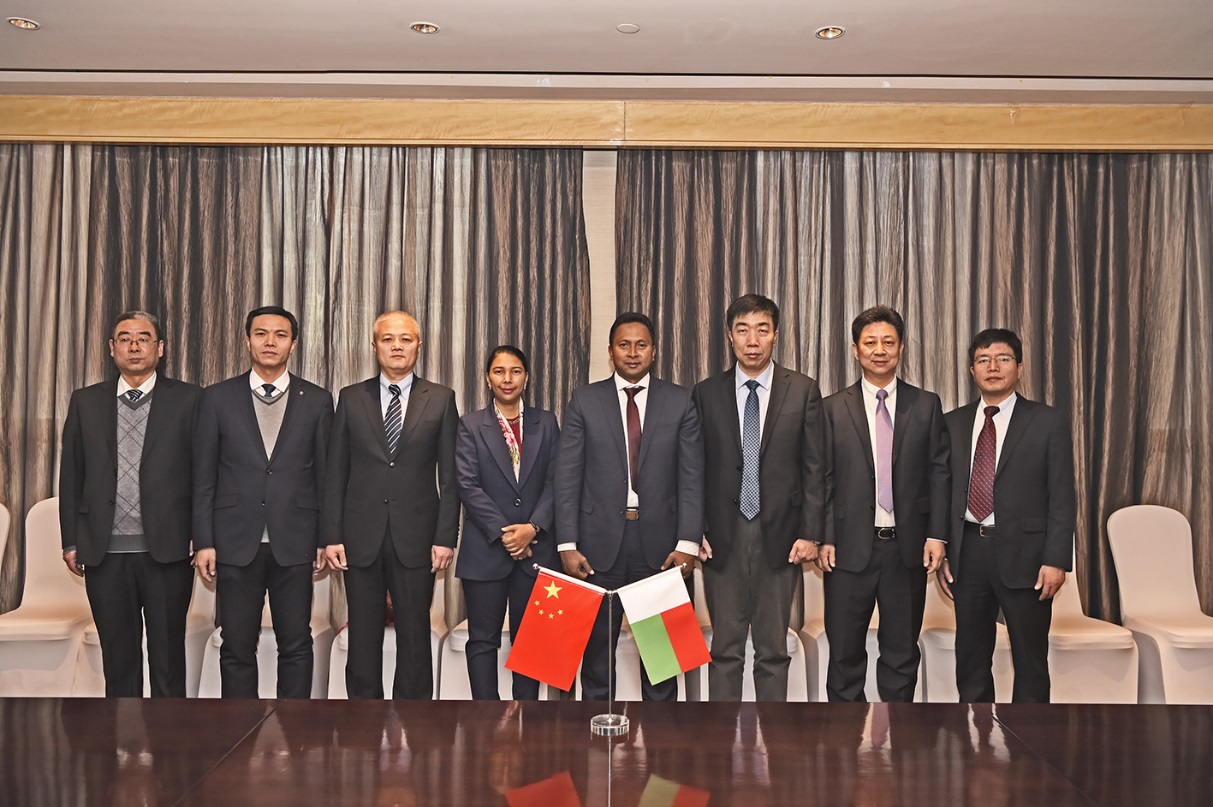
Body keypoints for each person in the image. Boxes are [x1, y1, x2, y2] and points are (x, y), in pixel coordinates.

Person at [553, 313, 704, 701]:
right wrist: (567, 544)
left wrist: (688, 544)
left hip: (663, 550)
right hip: (596, 549)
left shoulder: (680, 400)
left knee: (662, 663)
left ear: (654, 351)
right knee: (596, 658)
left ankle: (662, 737)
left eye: (641, 345)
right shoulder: (585, 400)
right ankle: (596, 735)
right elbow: (567, 477)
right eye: (624, 345)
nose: (632, 353)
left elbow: (691, 477)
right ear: (610, 351)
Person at [191, 306, 333, 698]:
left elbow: (326, 477)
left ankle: (296, 727)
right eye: (261, 333)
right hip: (235, 541)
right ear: (247, 340)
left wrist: (325, 538)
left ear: (293, 344)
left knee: (296, 643)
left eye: (280, 335)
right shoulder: (217, 398)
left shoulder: (317, 400)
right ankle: (239, 727)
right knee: (236, 645)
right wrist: (204, 540)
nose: (270, 342)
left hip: (296, 540)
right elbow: (203, 477)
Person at [59, 311, 200, 697]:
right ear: (112, 348)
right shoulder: (86, 401)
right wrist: (70, 540)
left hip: (169, 550)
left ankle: (168, 734)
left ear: (160, 348)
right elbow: (71, 475)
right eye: (124, 338)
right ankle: (120, 733)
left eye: (143, 338)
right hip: (104, 551)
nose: (134, 346)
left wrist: (201, 535)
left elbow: (204, 474)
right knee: (118, 660)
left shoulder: (189, 399)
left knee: (168, 658)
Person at [692, 293, 825, 702]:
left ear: (775, 335)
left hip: (782, 538)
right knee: (724, 650)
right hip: (722, 538)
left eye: (762, 330)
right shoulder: (706, 393)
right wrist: (695, 530)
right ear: (730, 336)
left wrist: (811, 533)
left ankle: (774, 736)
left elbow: (815, 468)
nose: (753, 340)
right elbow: (694, 468)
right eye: (743, 330)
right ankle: (720, 736)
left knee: (773, 651)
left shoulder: (802, 390)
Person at [323, 310, 459, 699]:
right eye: (387, 339)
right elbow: (335, 473)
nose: (396, 346)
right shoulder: (351, 398)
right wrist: (332, 535)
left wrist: (445, 538)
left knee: (414, 636)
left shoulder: (441, 399)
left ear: (419, 345)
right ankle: (362, 722)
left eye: (405, 339)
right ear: (374, 346)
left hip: (418, 538)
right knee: (362, 637)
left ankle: (415, 723)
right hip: (359, 537)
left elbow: (450, 478)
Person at [818, 305, 950, 702]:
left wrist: (937, 535)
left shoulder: (925, 405)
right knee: (844, 654)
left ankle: (900, 735)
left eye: (888, 342)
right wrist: (825, 537)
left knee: (901, 654)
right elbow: (822, 479)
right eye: (870, 342)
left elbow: (939, 474)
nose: (880, 350)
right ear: (855, 350)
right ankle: (845, 735)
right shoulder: (831, 408)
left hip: (907, 550)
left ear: (901, 348)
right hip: (847, 549)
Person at [938, 328, 1075, 703]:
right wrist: (944, 550)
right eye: (983, 360)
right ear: (972, 370)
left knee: (1030, 661)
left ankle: (1030, 736)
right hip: (968, 553)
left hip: (1028, 557)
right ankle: (975, 731)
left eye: (1002, 359)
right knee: (971, 658)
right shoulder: (952, 423)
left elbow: (1062, 496)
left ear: (1020, 368)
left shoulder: (1047, 422)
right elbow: (942, 492)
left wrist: (1056, 559)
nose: (993, 367)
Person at [454, 345, 560, 700]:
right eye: (499, 371)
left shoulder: (547, 423)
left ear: (526, 377)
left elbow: (558, 481)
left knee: (531, 642)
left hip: (537, 550)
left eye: (515, 371)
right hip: (486, 551)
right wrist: (508, 535)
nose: (507, 379)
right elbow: (467, 485)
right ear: (488, 378)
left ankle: (527, 718)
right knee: (482, 641)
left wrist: (533, 527)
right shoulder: (470, 425)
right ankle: (485, 719)